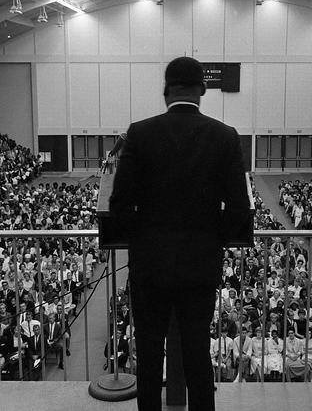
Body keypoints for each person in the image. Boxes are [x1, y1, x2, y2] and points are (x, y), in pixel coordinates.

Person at [110, 56, 250, 411]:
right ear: (202, 91)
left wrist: (143, 236)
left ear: (166, 91)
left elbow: (119, 205)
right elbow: (238, 207)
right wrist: (209, 237)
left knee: (150, 354)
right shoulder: (225, 136)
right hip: (199, 266)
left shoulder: (139, 133)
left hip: (151, 266)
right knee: (197, 353)